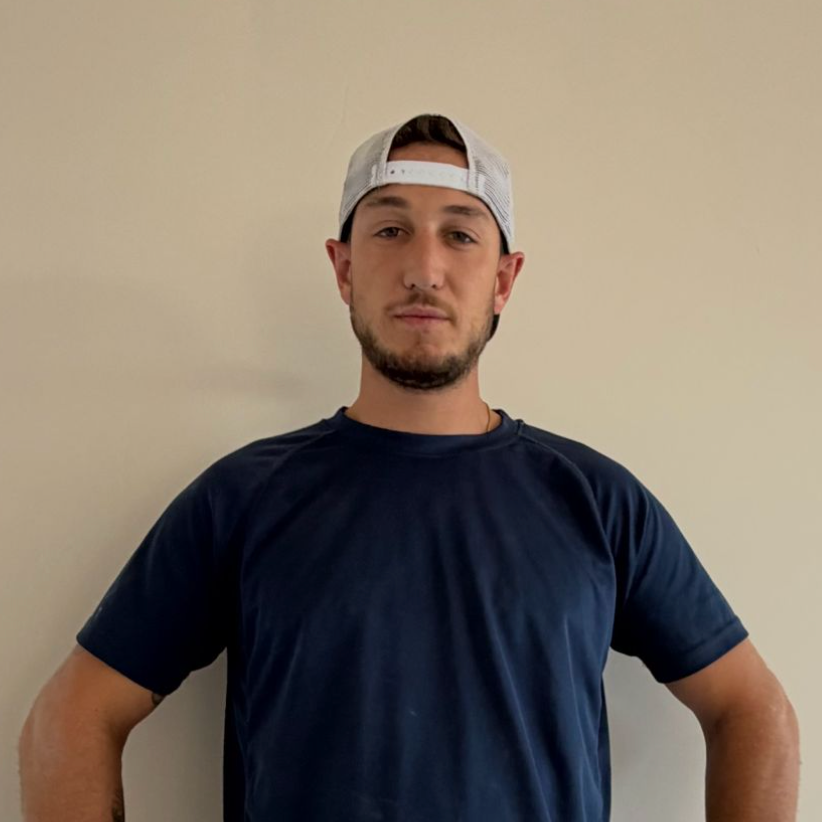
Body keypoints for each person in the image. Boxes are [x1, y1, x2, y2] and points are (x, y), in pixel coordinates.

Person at [19, 113, 799, 822]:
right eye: (390, 230)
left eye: (460, 235)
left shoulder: (596, 502)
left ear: (504, 279)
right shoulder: (244, 500)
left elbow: (751, 709)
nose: (424, 268)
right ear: (343, 268)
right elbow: (72, 718)